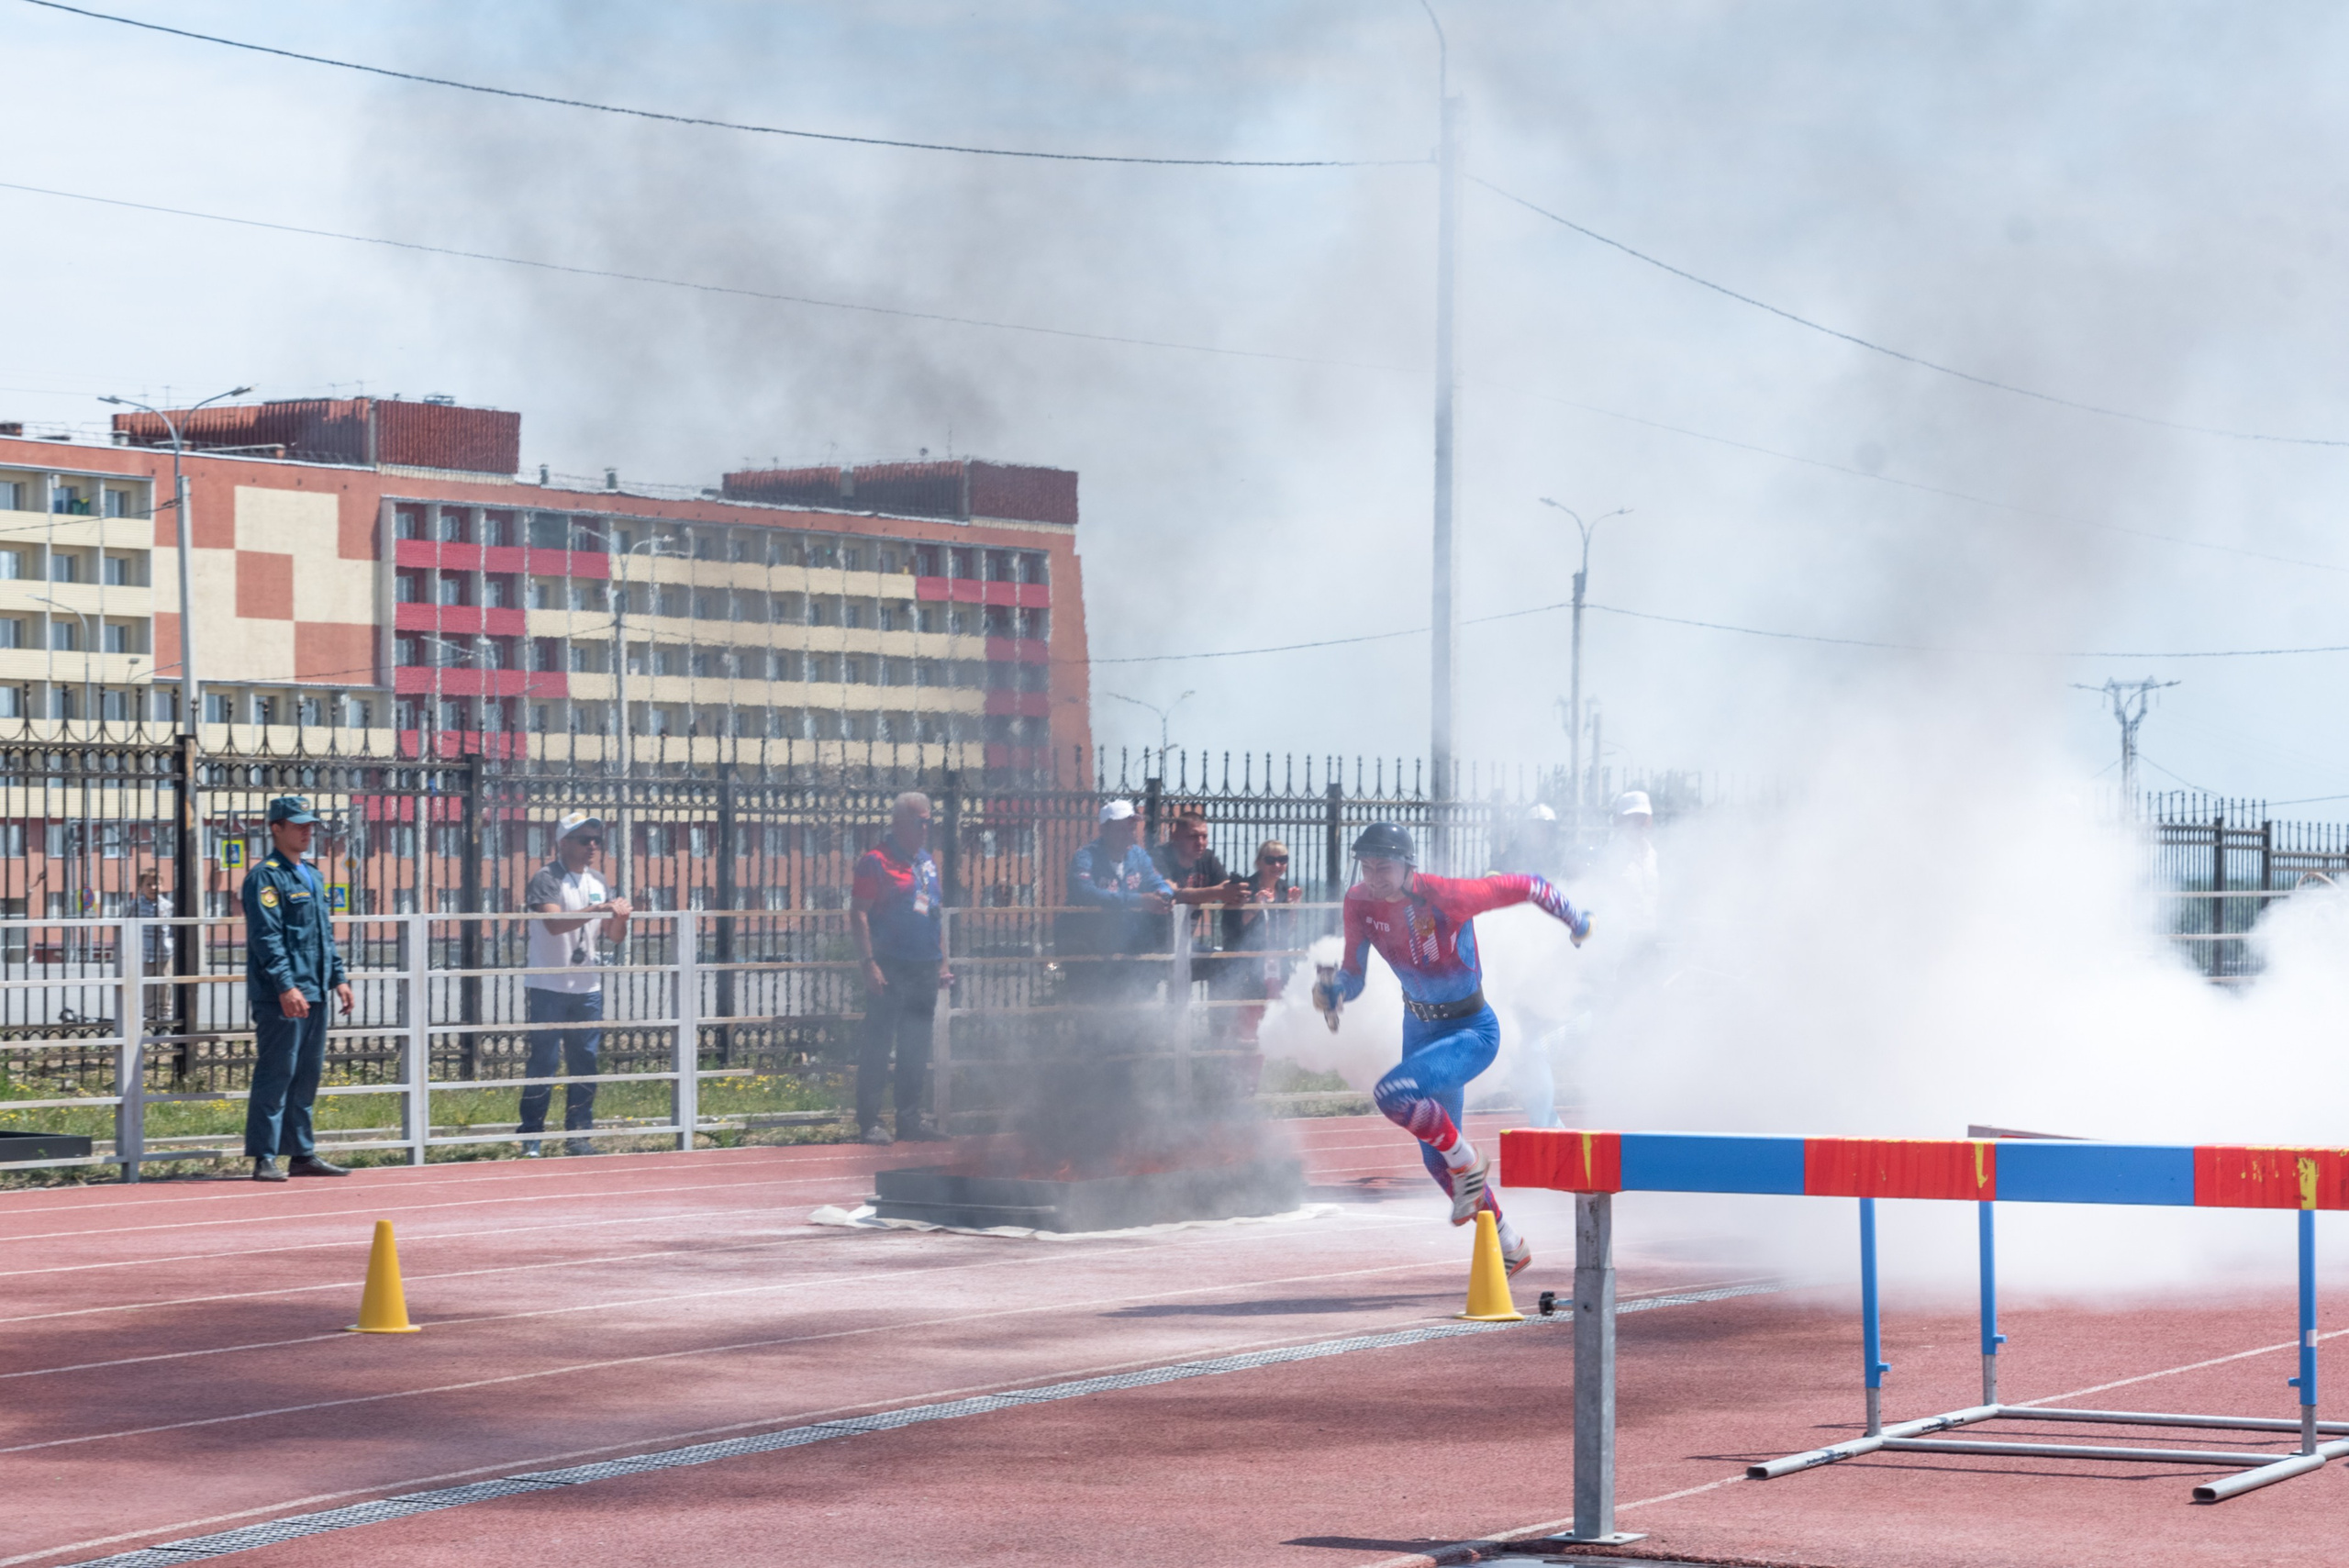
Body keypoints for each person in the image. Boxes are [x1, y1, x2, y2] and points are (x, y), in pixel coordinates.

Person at [1313, 821, 1591, 1276]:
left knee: (1394, 1096)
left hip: (1471, 1031)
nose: (1373, 876)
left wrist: (1577, 921)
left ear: (1408, 865)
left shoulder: (1447, 894)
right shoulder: (1358, 902)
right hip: (1419, 1031)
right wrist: (1335, 991)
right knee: (1433, 1159)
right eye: (1366, 866)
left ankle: (1470, 1161)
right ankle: (1509, 1243)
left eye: (1383, 866)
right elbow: (1355, 975)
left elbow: (1527, 886)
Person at [241, 796, 355, 1182]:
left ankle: (302, 1152)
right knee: (277, 1072)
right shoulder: (265, 877)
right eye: (299, 824)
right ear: (276, 828)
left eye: (311, 825)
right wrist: (286, 986)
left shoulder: (312, 874)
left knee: (307, 1073)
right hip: (282, 994)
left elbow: (323, 936)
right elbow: (267, 938)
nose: (308, 831)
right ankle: (265, 1155)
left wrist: (338, 978)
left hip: (316, 989)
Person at [522, 812, 631, 1157]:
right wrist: (596, 909)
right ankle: (531, 1136)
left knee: (585, 1061)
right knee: (545, 1061)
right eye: (585, 840)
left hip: (587, 988)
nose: (593, 846)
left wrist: (620, 918)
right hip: (548, 985)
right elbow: (553, 923)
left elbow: (614, 937)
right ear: (564, 843)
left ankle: (579, 1135)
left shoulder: (598, 879)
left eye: (596, 840)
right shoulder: (546, 877)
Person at [850, 791, 952, 1146]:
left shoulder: (926, 861)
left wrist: (942, 962)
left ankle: (910, 1120)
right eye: (920, 822)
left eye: (929, 822)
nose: (927, 829)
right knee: (878, 1044)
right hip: (889, 965)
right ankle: (871, 1123)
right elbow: (858, 912)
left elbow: (933, 912)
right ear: (899, 823)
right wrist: (868, 963)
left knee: (915, 1046)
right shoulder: (874, 861)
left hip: (924, 965)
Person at [1063, 800, 1175, 1005]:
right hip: (1091, 951)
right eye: (1122, 828)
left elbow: (1156, 881)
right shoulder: (1085, 856)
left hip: (1131, 949)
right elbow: (1085, 893)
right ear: (1104, 829)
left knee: (1135, 1007)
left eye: (1132, 826)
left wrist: (1164, 894)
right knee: (1094, 1011)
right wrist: (1139, 900)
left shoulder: (1138, 855)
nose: (1130, 833)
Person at [1221, 838, 1306, 1055]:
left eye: (1282, 860)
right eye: (1271, 860)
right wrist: (1255, 908)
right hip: (1249, 967)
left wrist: (1293, 908)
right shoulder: (1245, 888)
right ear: (1259, 862)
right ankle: (1240, 1079)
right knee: (1248, 1027)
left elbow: (1288, 930)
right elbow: (1234, 929)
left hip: (1277, 965)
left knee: (1273, 1023)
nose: (1277, 866)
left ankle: (1263, 1077)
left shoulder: (1284, 889)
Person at [129, 868, 169, 1022]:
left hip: (164, 952)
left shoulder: (167, 905)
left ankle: (165, 1014)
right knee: (147, 985)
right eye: (149, 884)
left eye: (157, 884)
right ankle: (150, 1014)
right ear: (141, 888)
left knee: (165, 983)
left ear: (163, 886)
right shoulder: (136, 906)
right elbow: (127, 924)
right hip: (144, 952)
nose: (153, 887)